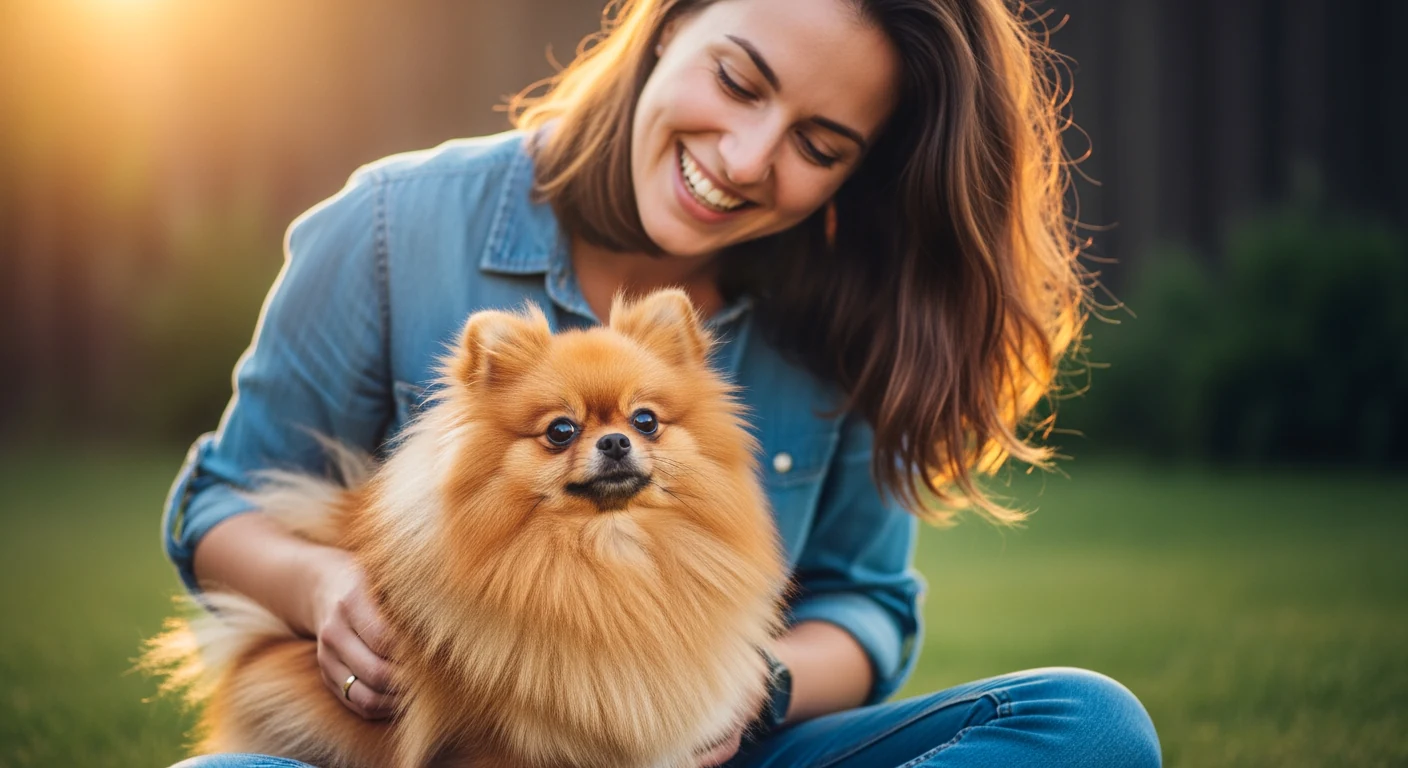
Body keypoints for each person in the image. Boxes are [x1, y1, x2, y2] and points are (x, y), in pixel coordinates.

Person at [162, 0, 1161, 765]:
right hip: (444, 745)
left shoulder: (843, 318)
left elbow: (866, 607)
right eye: (736, 80)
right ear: (671, 22)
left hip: (704, 748)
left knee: (1088, 727)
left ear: (856, 175)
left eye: (818, 147)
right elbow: (219, 506)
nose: (742, 158)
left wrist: (749, 690)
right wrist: (323, 585)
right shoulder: (394, 227)